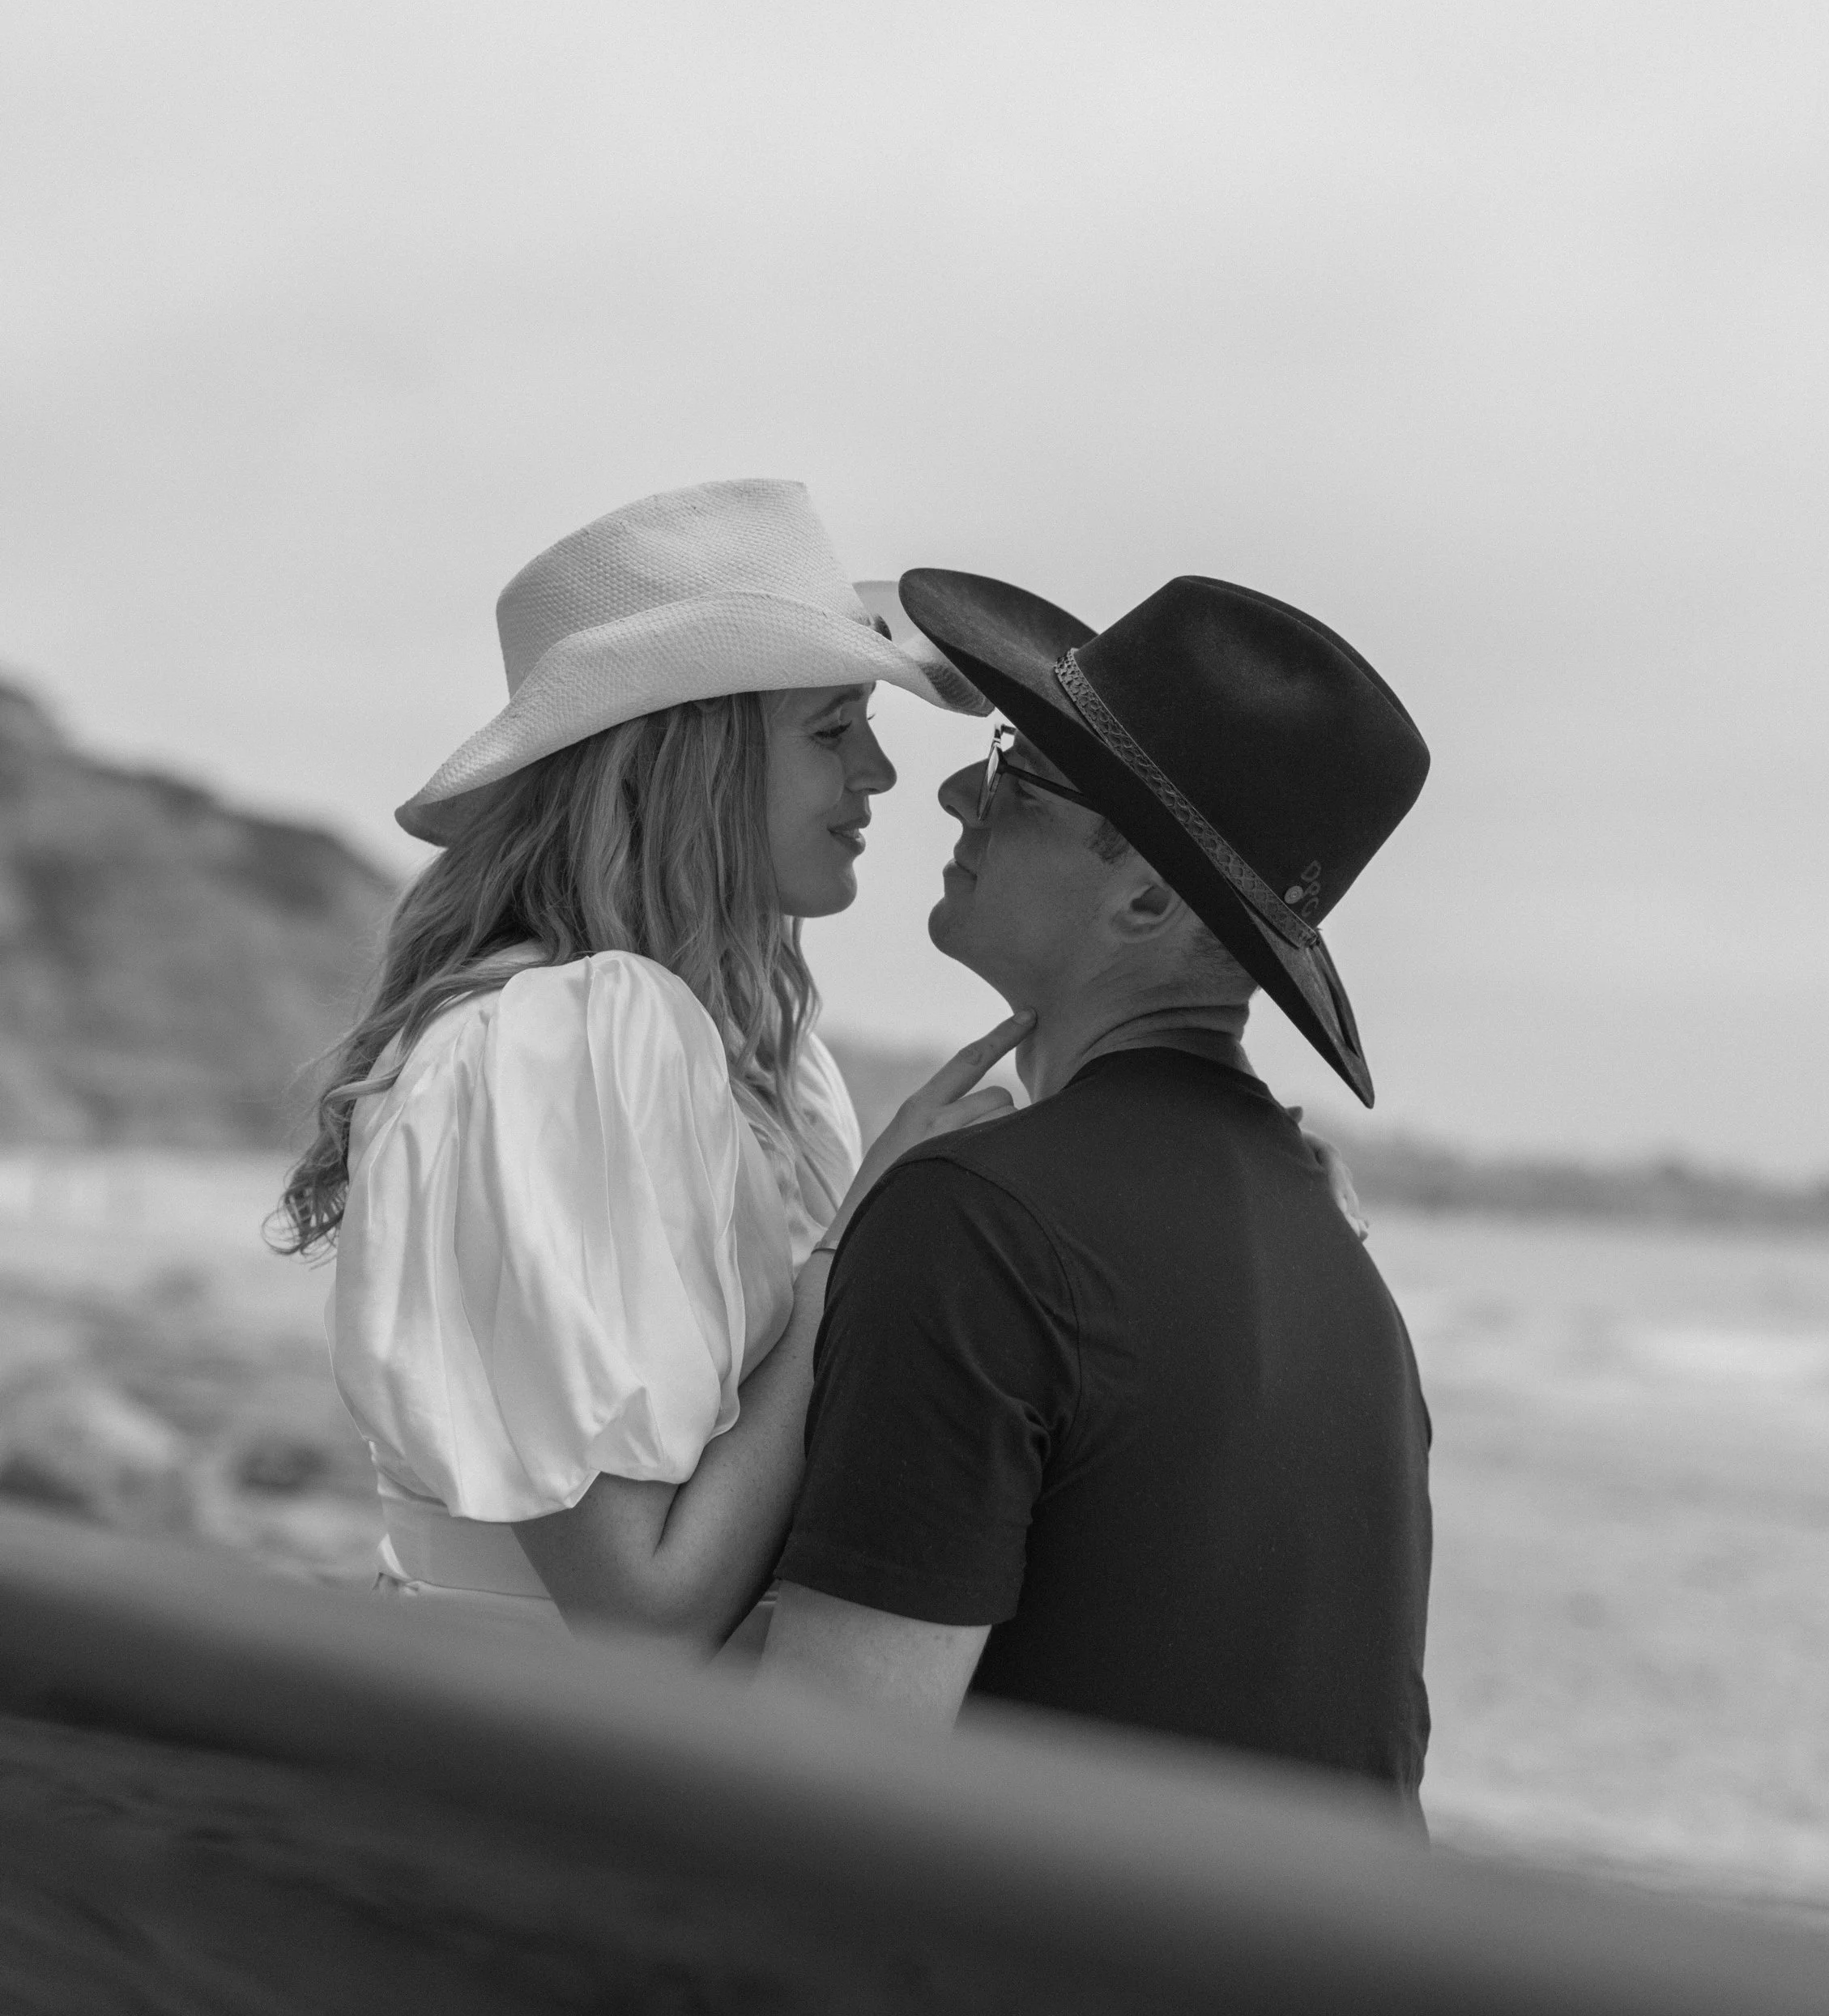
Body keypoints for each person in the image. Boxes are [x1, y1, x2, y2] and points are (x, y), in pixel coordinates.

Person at [272, 479, 1023, 1641]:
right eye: (833, 730)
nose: (879, 776)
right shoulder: (566, 1044)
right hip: (532, 1772)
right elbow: (644, 1620)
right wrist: (862, 1244)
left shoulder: (758, 1054)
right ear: (684, 763)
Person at [762, 567, 1435, 1796]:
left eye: (1016, 778)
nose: (959, 789)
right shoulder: (1345, 1268)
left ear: (1142, 897)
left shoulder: (976, 1222)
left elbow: (820, 1788)